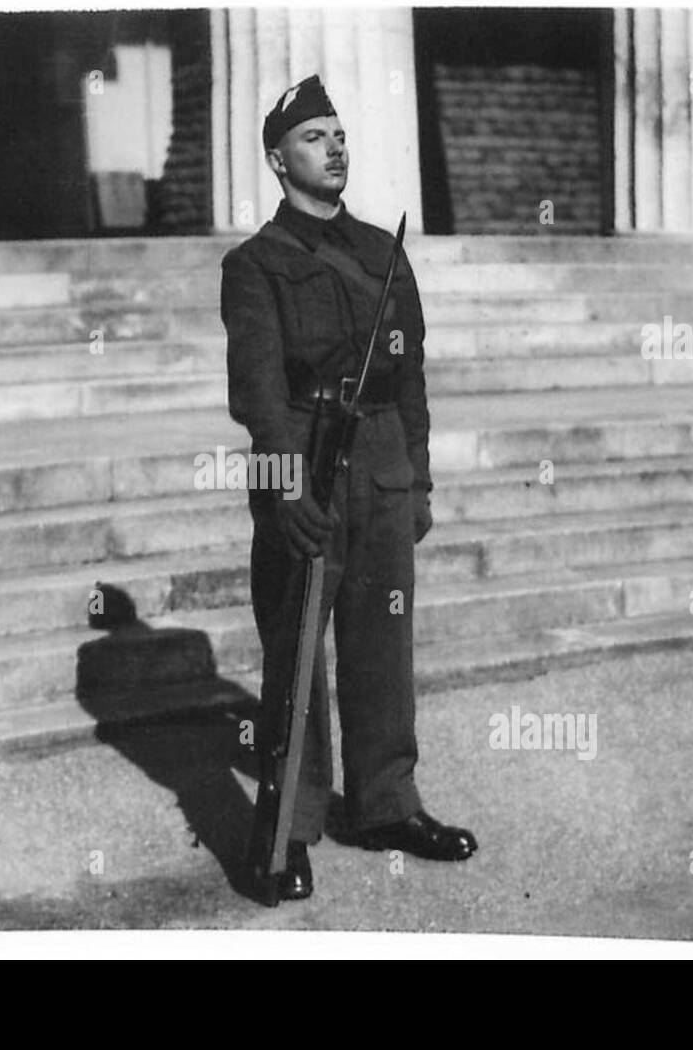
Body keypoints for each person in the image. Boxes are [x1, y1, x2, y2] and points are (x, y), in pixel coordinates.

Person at [220, 75, 478, 902]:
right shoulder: (255, 264)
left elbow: (411, 379)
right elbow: (258, 395)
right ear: (277, 159)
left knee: (382, 643)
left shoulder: (383, 252)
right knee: (297, 655)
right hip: (305, 457)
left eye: (337, 134)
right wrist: (285, 487)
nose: (333, 147)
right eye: (311, 137)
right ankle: (289, 830)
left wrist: (420, 476)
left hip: (382, 463)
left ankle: (384, 803)